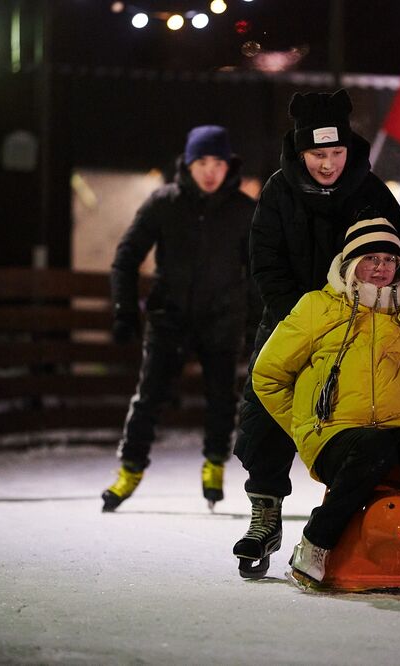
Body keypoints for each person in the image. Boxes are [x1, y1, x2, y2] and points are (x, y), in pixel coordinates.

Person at [233, 89, 400, 577]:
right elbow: (264, 261)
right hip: (291, 320)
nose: (328, 163)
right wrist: (302, 317)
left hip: (359, 327)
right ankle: (266, 511)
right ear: (301, 151)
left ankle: (351, 516)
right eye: (318, 154)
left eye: (336, 152)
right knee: (264, 403)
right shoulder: (276, 191)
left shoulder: (372, 191)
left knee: (363, 413)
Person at [252, 218, 400, 586]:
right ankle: (316, 543)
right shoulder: (317, 308)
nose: (380, 266)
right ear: (349, 264)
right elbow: (268, 374)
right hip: (338, 434)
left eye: (389, 259)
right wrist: (305, 425)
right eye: (370, 257)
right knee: (371, 447)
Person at [101, 125, 256, 513]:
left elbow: (258, 273)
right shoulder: (163, 203)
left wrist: (256, 324)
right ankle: (130, 470)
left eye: (218, 162)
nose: (210, 171)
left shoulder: (243, 211)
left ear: (229, 166)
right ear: (188, 164)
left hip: (222, 319)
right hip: (169, 316)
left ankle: (214, 466)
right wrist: (123, 310)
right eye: (202, 161)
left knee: (222, 398)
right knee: (149, 396)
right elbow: (126, 255)